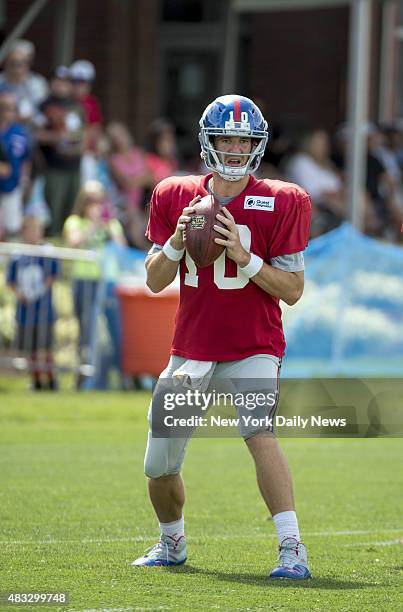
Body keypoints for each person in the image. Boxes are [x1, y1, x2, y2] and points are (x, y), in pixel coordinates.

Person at [132, 95, 312, 579]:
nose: (235, 148)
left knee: (258, 430)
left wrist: (244, 255)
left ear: (258, 144)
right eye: (226, 138)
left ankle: (292, 548)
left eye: (244, 140)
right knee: (159, 463)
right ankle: (171, 543)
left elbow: (293, 291)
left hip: (254, 342)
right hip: (192, 347)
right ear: (207, 142)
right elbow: (153, 280)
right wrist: (175, 240)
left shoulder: (283, 199)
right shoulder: (174, 194)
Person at [63, 180, 126, 389]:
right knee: (86, 333)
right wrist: (93, 224)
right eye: (91, 200)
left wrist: (107, 226)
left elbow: (121, 248)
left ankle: (119, 379)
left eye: (100, 199)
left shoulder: (111, 223)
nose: (96, 204)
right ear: (83, 202)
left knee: (115, 331)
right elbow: (74, 242)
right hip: (84, 281)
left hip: (108, 283)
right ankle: (85, 379)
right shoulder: (75, 221)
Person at [6, 216, 59, 390]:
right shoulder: (17, 254)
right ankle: (36, 380)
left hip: (43, 310)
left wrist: (39, 291)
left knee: (46, 348)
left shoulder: (47, 251)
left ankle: (51, 380)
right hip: (25, 310)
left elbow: (53, 275)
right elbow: (11, 281)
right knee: (31, 349)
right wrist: (22, 294)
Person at [35, 67, 84, 235]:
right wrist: (59, 137)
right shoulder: (44, 106)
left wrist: (76, 143)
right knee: (52, 211)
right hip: (53, 167)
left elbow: (82, 135)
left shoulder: (76, 107)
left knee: (71, 212)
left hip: (74, 167)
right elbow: (36, 134)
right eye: (57, 81)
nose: (61, 85)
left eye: (65, 82)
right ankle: (52, 248)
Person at [107, 121, 152, 248]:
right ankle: (144, 251)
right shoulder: (113, 160)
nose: (119, 140)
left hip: (144, 197)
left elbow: (150, 177)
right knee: (133, 214)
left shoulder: (138, 153)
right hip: (124, 202)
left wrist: (134, 181)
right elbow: (126, 184)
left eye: (121, 135)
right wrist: (140, 179)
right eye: (115, 138)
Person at [0, 88, 31, 240]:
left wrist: (24, 181)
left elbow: (26, 159)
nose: (6, 112)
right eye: (3, 107)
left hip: (12, 187)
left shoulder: (20, 132)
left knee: (13, 228)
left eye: (11, 108)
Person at [0, 39, 48, 123]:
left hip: (30, 130)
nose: (17, 67)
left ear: (30, 62)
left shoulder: (38, 84)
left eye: (23, 62)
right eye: (13, 62)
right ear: (6, 61)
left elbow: (43, 112)